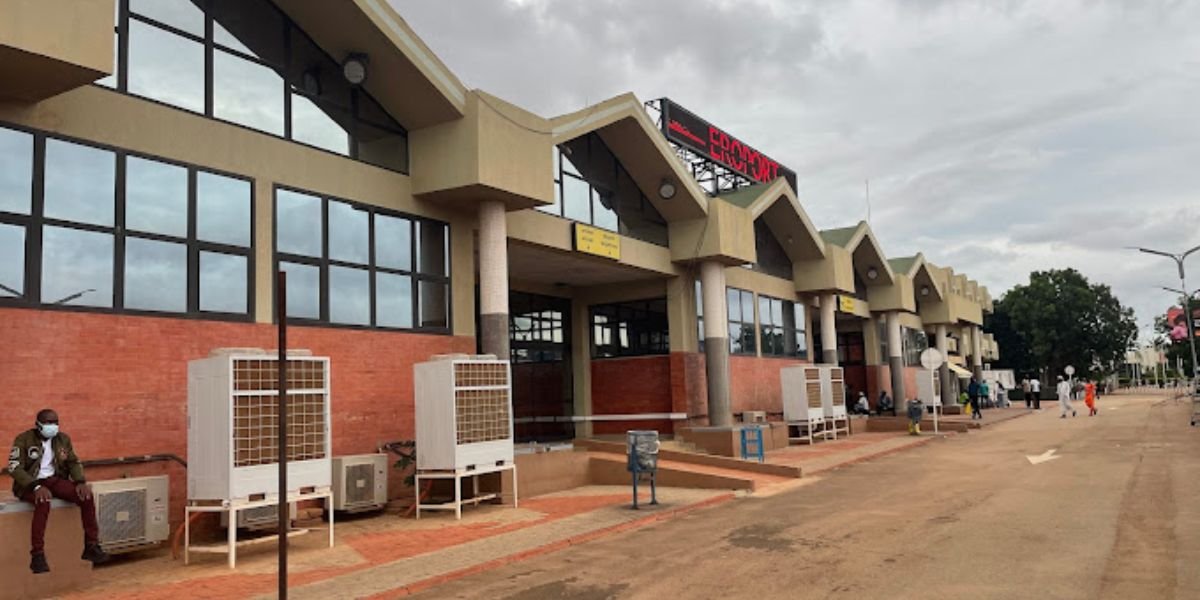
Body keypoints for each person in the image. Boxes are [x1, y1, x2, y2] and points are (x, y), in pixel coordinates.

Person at [8, 409, 109, 573]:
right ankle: (37, 555)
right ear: (38, 424)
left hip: (54, 480)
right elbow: (14, 468)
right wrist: (35, 486)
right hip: (30, 484)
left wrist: (80, 481)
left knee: (86, 496)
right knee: (43, 501)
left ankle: (91, 546)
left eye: (55, 422)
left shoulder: (62, 439)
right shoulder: (23, 439)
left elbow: (73, 462)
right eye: (48, 423)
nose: (52, 426)